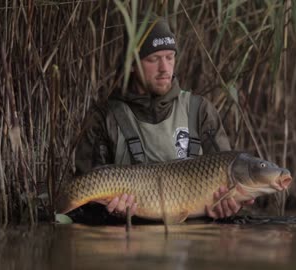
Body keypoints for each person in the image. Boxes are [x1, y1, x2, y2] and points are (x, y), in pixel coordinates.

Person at [73, 15, 253, 224]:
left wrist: (229, 207)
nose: (165, 69)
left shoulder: (199, 110)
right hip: (129, 243)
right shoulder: (105, 117)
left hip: (191, 244)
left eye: (170, 57)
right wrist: (108, 211)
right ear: (131, 64)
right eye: (153, 59)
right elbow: (87, 199)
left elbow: (225, 173)